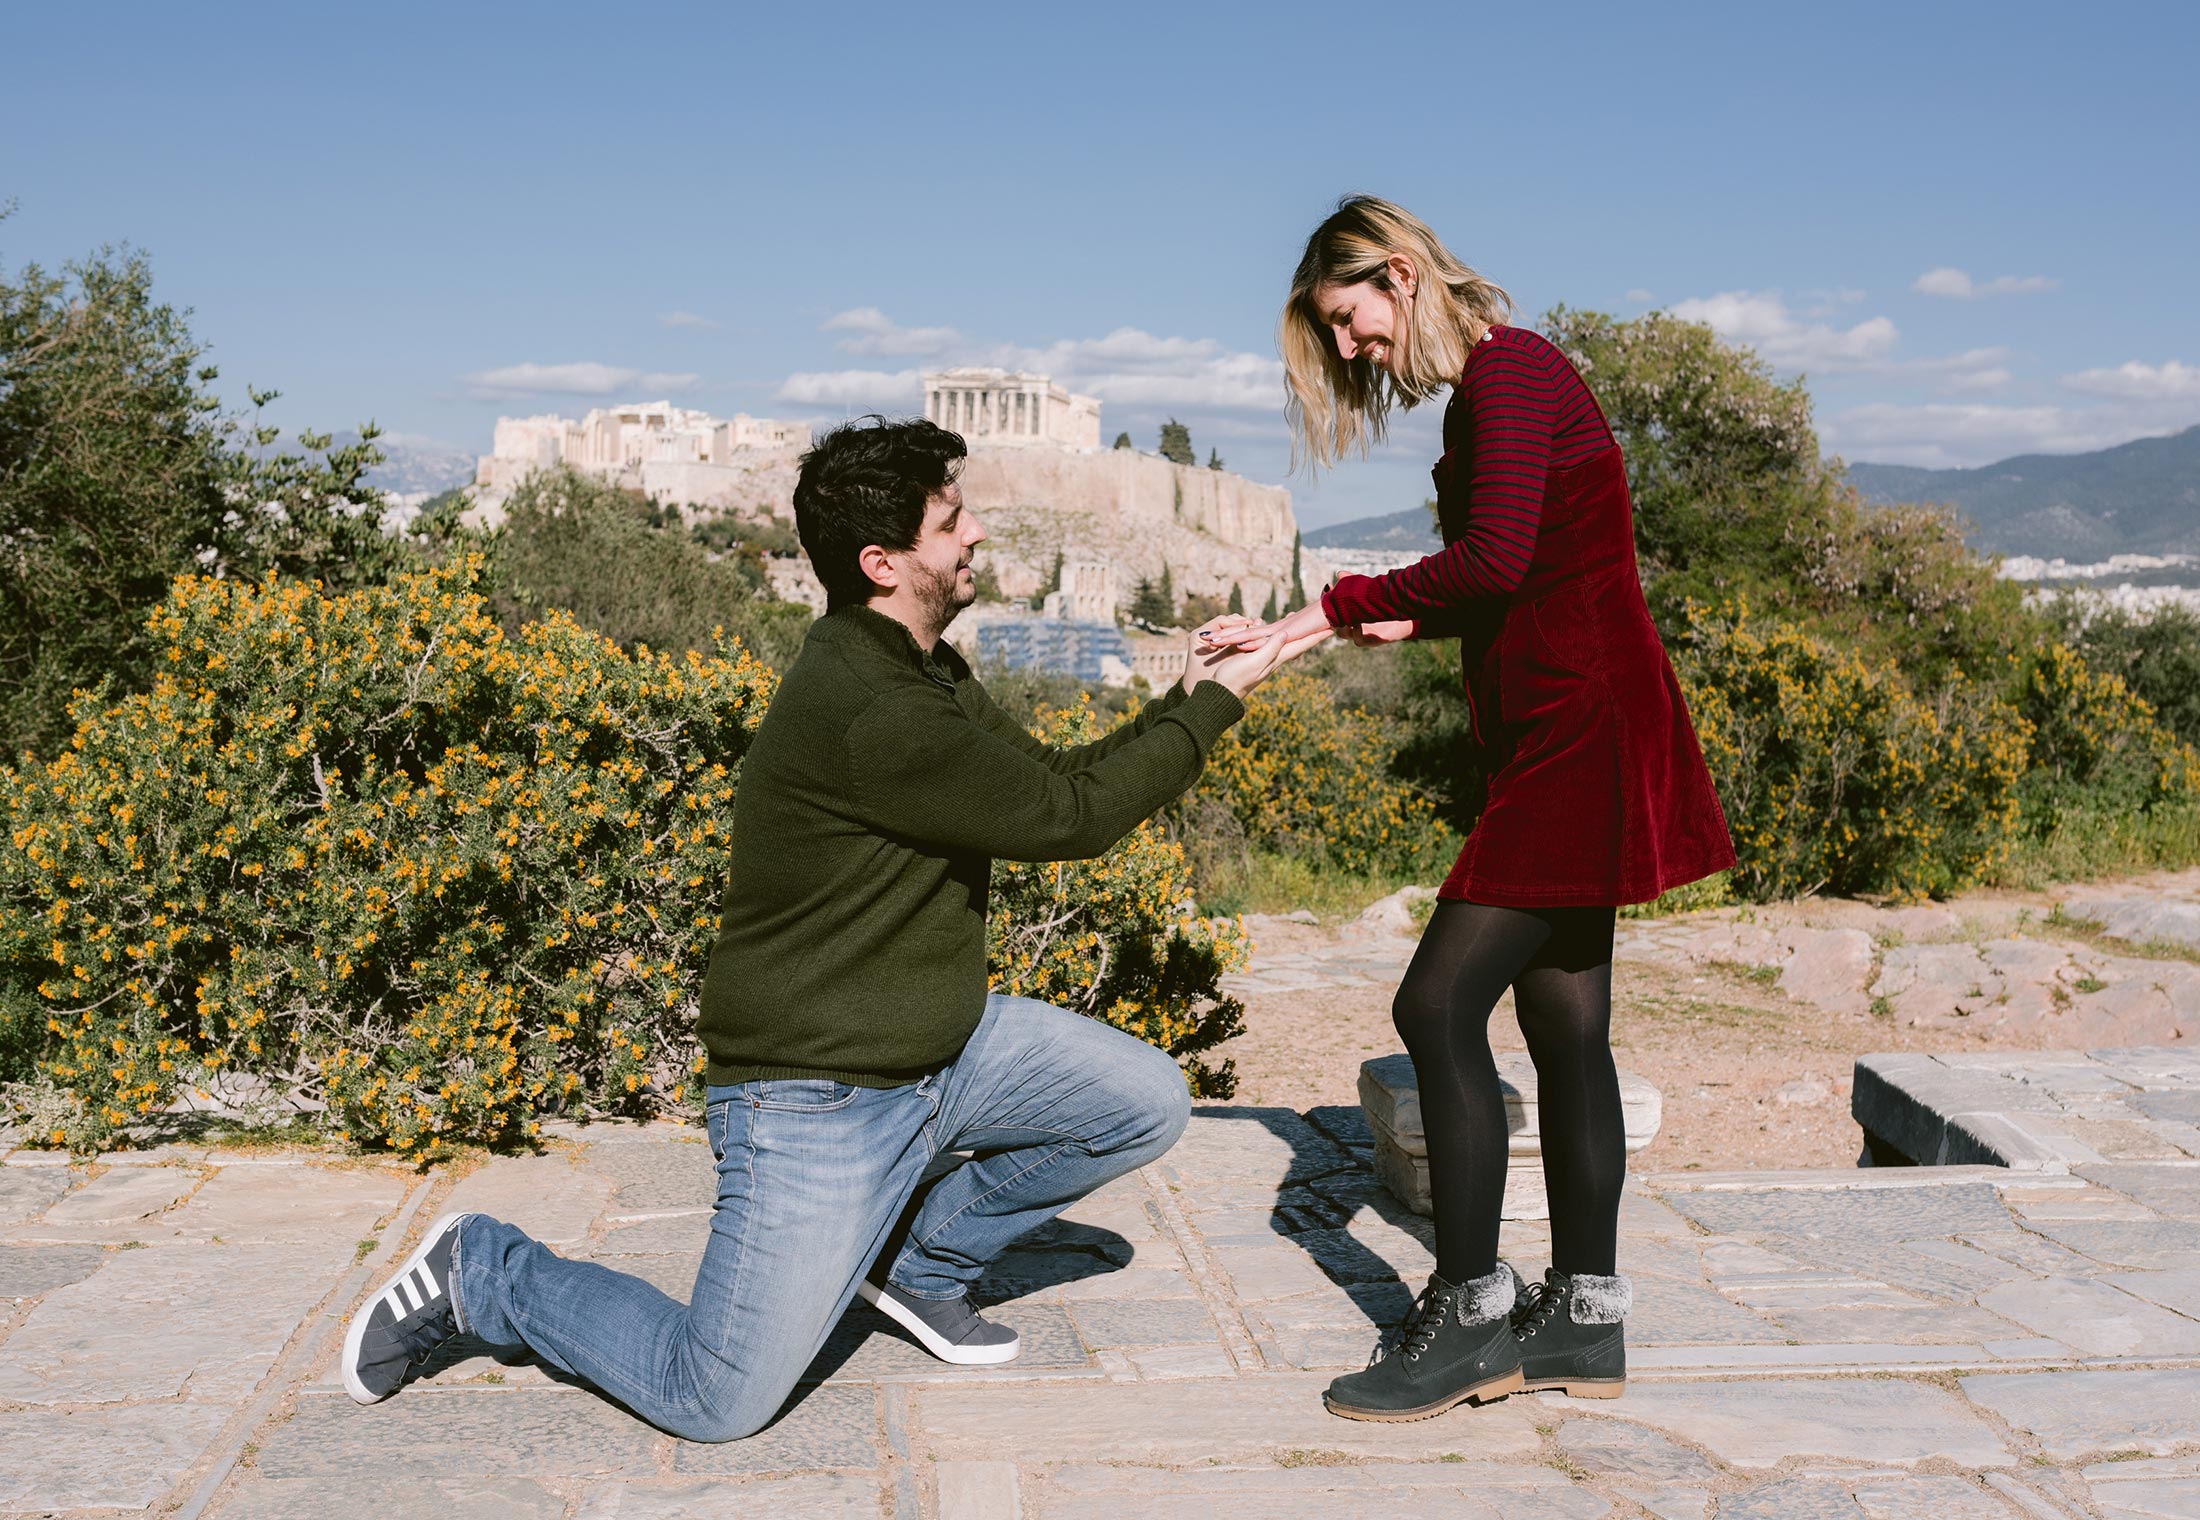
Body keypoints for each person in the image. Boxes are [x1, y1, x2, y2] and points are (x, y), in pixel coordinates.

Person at [342, 415, 1317, 1440]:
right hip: (813, 1096)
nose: (976, 531)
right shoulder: (872, 706)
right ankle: (484, 1271)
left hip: (941, 1050)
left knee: (1142, 1099)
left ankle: (913, 1267)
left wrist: (1192, 688)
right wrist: (1214, 707)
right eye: (951, 521)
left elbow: (1054, 782)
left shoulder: (916, 668)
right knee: (710, 1395)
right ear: (882, 560)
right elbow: (1071, 823)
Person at [1210, 196, 1736, 1422]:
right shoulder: (1508, 380)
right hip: (1573, 727)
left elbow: (1495, 558)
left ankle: (1466, 1313)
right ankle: (1586, 1320)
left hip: (1574, 735)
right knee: (1563, 1024)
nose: (1349, 350)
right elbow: (1523, 564)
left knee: (1434, 1000)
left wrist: (1335, 606)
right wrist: (1329, 623)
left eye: (1350, 321)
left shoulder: (1506, 377)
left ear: (1399, 275)